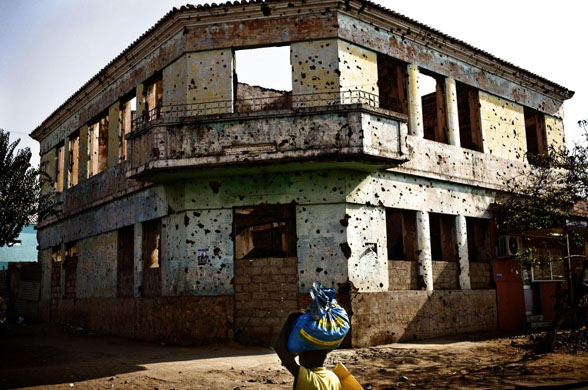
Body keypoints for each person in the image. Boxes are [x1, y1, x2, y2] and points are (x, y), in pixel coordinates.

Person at [274, 311, 342, 390]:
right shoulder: (334, 378)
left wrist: (290, 319)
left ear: (303, 359)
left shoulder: (306, 378)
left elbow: (279, 348)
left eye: (301, 353)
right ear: (324, 356)